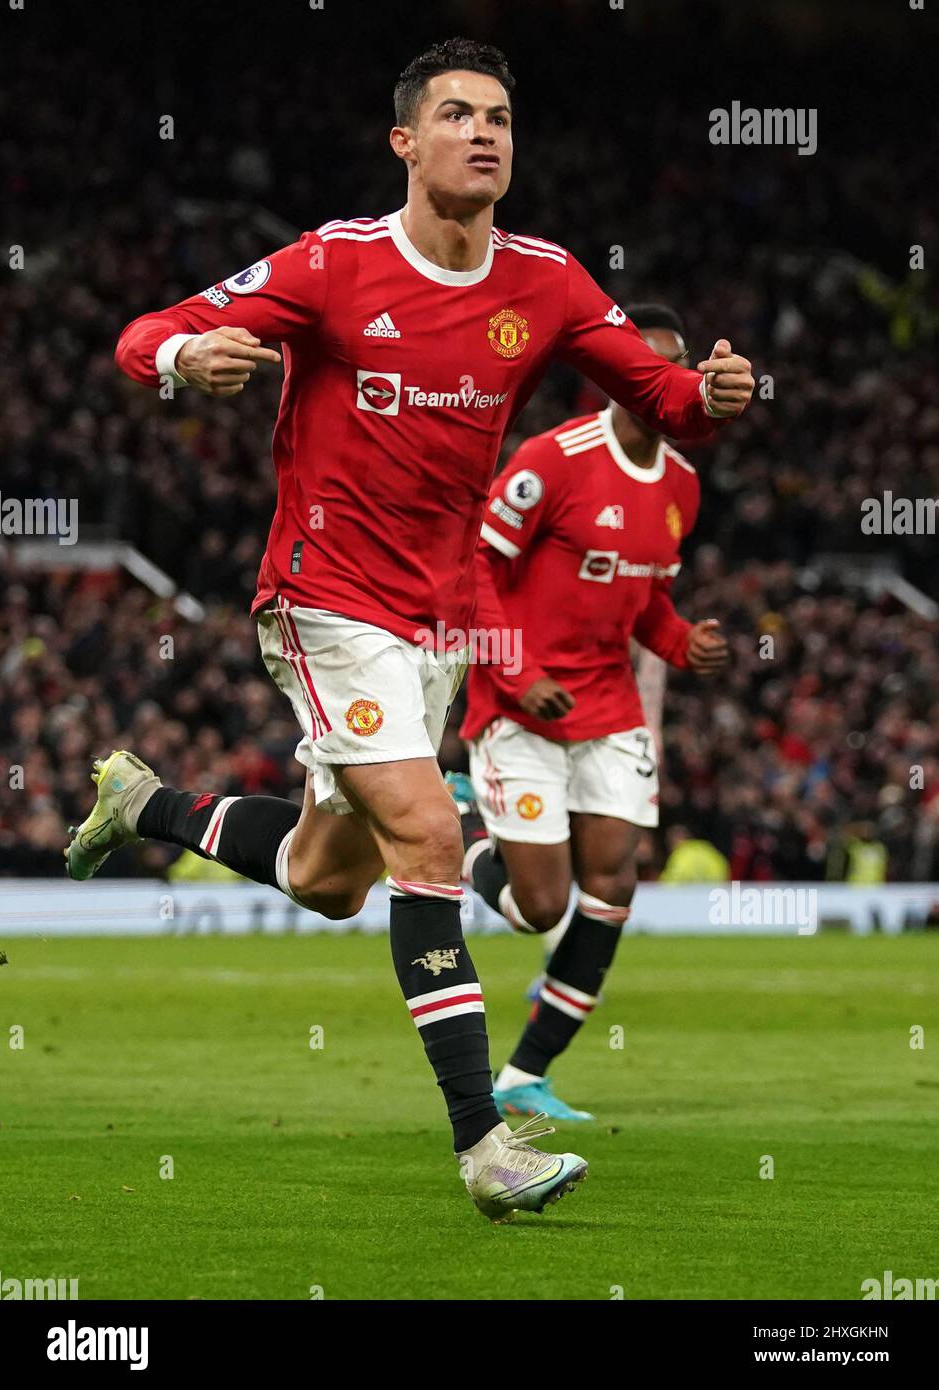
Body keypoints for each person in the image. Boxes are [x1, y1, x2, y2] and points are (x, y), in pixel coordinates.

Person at [66, 39, 753, 1220]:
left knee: (332, 879)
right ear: (405, 142)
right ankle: (486, 1144)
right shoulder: (332, 264)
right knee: (433, 841)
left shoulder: (545, 280)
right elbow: (144, 333)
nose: (484, 133)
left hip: (438, 625)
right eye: (455, 114)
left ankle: (147, 805)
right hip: (326, 599)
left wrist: (714, 395)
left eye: (498, 117)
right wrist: (191, 355)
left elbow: (657, 393)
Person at [453, 306, 729, 1120]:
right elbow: (475, 569)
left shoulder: (681, 484)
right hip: (519, 701)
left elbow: (648, 601)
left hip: (607, 706)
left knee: (611, 884)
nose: (658, 383)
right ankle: (460, 824)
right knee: (540, 904)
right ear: (610, 375)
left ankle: (526, 1074)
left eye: (674, 369)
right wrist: (516, 670)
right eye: (643, 367)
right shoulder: (552, 462)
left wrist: (683, 644)